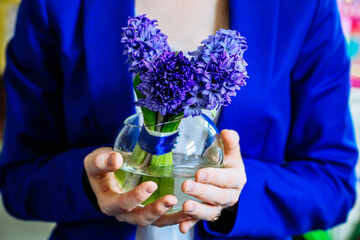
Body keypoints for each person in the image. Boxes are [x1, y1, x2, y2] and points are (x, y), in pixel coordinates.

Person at [0, 0, 358, 239]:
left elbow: (333, 181)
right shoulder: (55, 5)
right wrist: (86, 184)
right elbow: (19, 180)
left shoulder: (304, 7)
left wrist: (238, 197)